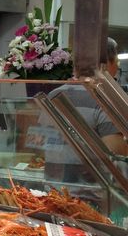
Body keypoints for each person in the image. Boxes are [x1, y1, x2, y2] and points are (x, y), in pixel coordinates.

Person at [44, 37, 128, 184]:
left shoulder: (54, 95)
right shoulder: (108, 98)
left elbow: (41, 142)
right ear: (110, 62)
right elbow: (116, 152)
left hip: (55, 186)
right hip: (95, 192)